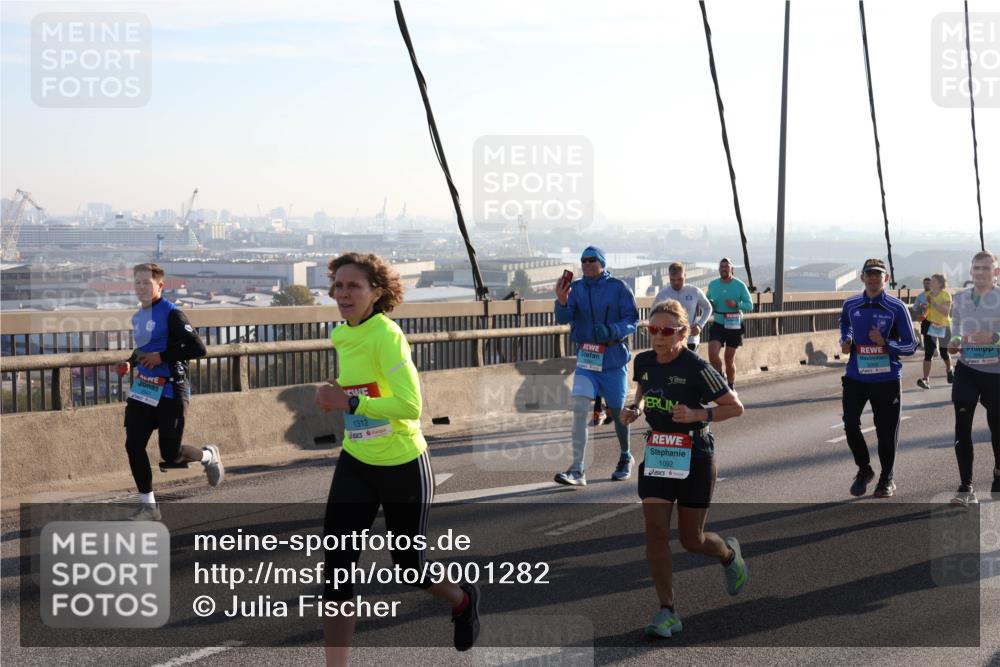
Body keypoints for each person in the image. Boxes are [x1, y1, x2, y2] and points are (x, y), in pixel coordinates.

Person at [315, 253, 479, 665]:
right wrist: (340, 393)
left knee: (409, 568)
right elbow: (371, 391)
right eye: (338, 286)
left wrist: (349, 400)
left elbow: (409, 404)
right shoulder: (342, 333)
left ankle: (461, 600)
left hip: (403, 464)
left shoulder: (386, 334)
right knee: (337, 570)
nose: (344, 293)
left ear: (377, 292)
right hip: (356, 461)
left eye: (354, 286)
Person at [618, 299, 747, 638]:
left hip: (696, 455)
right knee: (656, 531)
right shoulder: (644, 361)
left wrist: (698, 415)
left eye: (667, 331)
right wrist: (634, 408)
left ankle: (728, 554)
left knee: (692, 540)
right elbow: (643, 390)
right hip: (660, 452)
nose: (658, 337)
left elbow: (735, 407)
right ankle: (667, 610)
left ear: (684, 333)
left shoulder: (697, 367)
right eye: (653, 330)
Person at [117, 263, 222, 522]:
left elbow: (199, 348)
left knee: (170, 454)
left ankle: (208, 456)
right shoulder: (138, 316)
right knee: (133, 445)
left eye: (146, 283)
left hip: (171, 390)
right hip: (144, 390)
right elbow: (143, 349)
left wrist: (162, 356)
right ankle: (149, 506)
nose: (141, 287)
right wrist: (130, 363)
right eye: (137, 282)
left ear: (160, 285)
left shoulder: (172, 314)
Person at [553, 246, 640, 485]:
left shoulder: (618, 288)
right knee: (580, 410)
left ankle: (625, 456)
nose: (587, 263)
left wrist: (612, 330)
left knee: (617, 412)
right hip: (587, 360)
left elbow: (633, 320)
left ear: (602, 262)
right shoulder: (576, 289)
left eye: (592, 260)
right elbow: (562, 318)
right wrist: (561, 301)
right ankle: (577, 469)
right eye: (583, 260)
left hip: (613, 359)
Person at [838, 258, 917, 498]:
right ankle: (864, 469)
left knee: (886, 432)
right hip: (856, 376)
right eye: (869, 274)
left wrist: (886, 344)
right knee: (850, 423)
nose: (873, 278)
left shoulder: (896, 307)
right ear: (862, 278)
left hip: (887, 379)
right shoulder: (851, 304)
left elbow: (911, 345)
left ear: (886, 279)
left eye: (878, 275)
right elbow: (845, 324)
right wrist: (846, 339)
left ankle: (887, 479)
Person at [947, 250, 1000, 506]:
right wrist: (954, 342)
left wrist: (994, 338)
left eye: (986, 268)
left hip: (996, 373)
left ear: (996, 272)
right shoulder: (959, 299)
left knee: (997, 428)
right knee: (962, 425)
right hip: (967, 369)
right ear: (971, 272)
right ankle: (966, 487)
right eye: (976, 268)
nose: (980, 272)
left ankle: (999, 471)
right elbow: (955, 329)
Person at [705, 258, 753, 389]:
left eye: (726, 266)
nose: (723, 269)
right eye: (721, 267)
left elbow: (750, 305)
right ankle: (720, 376)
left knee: (728, 359)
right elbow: (707, 300)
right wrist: (710, 303)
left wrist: (736, 304)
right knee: (713, 354)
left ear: (732, 269)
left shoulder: (739, 285)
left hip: (734, 324)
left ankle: (731, 386)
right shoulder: (713, 284)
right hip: (718, 323)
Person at [653, 262, 713, 351]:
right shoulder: (662, 295)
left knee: (689, 365)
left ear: (685, 275)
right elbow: (653, 316)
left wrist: (700, 325)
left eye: (679, 279)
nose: (676, 282)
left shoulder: (694, 291)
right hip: (669, 340)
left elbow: (708, 308)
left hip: (691, 339)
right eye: (672, 280)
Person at [917, 273, 954, 389]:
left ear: (939, 283)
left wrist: (933, 301)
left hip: (943, 326)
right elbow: (928, 309)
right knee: (928, 353)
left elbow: (945, 312)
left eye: (933, 281)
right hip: (931, 326)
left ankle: (949, 369)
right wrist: (923, 314)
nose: (930, 283)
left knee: (944, 353)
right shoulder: (928, 294)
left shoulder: (946, 295)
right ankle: (926, 379)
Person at [911, 277, 932, 349]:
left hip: (935, 318)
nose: (926, 285)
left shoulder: (936, 294)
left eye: (928, 283)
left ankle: (935, 349)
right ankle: (928, 353)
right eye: (925, 283)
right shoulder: (920, 296)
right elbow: (914, 308)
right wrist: (921, 306)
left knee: (934, 336)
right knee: (926, 336)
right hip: (925, 318)